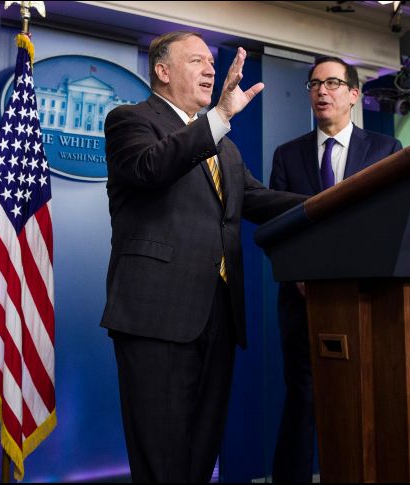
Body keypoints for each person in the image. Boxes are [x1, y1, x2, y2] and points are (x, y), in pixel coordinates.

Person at [100, 31, 307, 483]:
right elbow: (152, 167)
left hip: (218, 314)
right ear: (163, 70)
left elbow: (260, 200)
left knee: (200, 452)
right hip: (156, 314)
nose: (210, 70)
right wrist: (217, 118)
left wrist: (339, 200)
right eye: (196, 61)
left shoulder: (225, 148)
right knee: (161, 455)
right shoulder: (130, 120)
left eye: (211, 64)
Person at [268, 56, 402, 483]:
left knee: (362, 399)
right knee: (303, 400)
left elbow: (390, 224)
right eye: (313, 84)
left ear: (353, 94)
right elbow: (278, 228)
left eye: (331, 83)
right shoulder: (287, 155)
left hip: (366, 300)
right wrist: (300, 272)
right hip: (302, 302)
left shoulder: (385, 151)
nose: (321, 91)